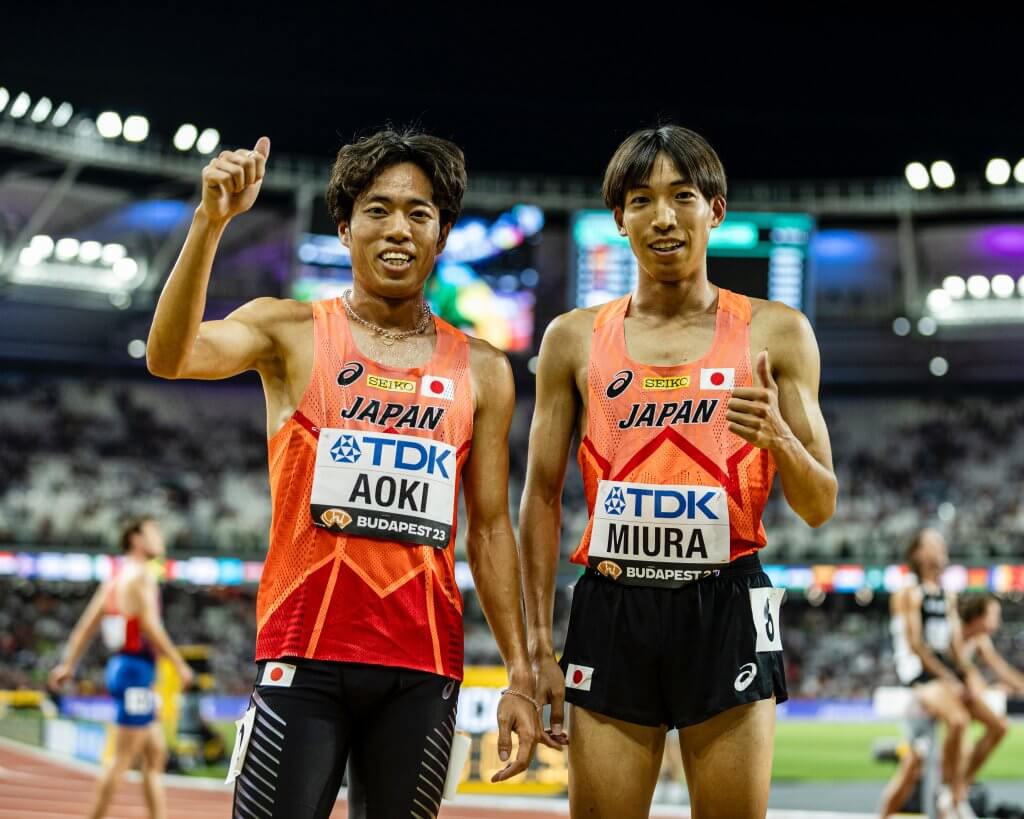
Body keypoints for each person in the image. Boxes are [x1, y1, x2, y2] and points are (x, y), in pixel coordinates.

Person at [146, 128, 538, 818]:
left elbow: (492, 527)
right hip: (303, 652)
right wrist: (210, 222)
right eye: (378, 209)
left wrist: (521, 669)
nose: (398, 229)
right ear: (344, 226)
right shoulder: (289, 330)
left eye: (420, 213)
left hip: (423, 666)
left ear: (441, 235)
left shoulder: (482, 369)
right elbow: (169, 357)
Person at [520, 124, 837, 818]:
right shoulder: (573, 337)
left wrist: (780, 437)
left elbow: (819, 504)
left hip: (729, 603)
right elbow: (539, 496)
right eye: (641, 199)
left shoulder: (776, 332)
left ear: (715, 210)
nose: (663, 216)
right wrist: (536, 644)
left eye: (682, 196)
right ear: (620, 219)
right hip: (612, 602)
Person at [49, 516, 194, 819]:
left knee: (155, 754)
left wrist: (68, 664)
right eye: (155, 532)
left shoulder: (115, 578)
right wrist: (179, 662)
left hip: (124, 669)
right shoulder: (141, 575)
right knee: (123, 757)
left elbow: (84, 628)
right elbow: (150, 626)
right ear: (136, 538)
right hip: (136, 673)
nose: (161, 538)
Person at [881, 529, 1005, 818]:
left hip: (942, 673)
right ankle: (948, 795)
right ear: (917, 554)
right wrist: (951, 678)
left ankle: (954, 791)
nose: (941, 547)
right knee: (956, 724)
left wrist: (969, 673)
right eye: (933, 543)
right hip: (917, 674)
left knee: (998, 726)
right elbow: (916, 645)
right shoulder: (908, 592)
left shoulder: (948, 596)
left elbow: (953, 646)